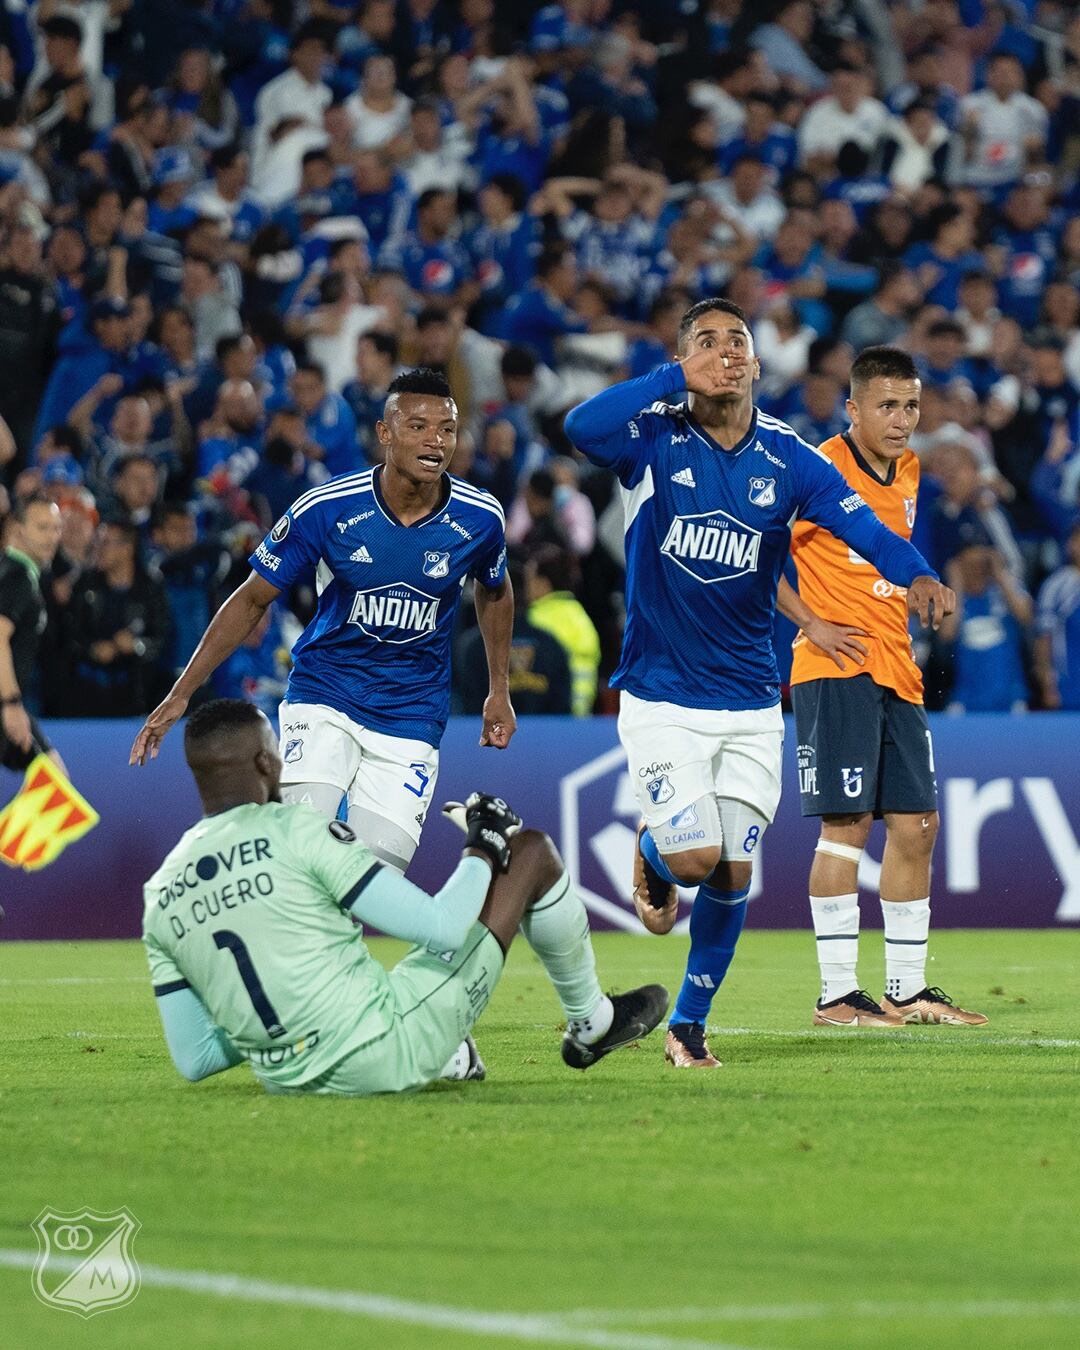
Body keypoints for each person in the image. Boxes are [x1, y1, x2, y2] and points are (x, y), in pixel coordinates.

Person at [565, 299, 954, 1069]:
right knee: (695, 860)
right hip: (662, 693)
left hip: (749, 701)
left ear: (756, 359)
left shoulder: (789, 456)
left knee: (735, 869)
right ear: (686, 358)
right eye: (706, 343)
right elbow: (580, 428)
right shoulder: (651, 440)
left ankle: (687, 1025)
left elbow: (867, 530)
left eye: (737, 341)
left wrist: (918, 574)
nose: (726, 353)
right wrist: (671, 377)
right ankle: (654, 845)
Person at [143, 698, 668, 1095]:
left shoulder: (161, 891)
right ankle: (590, 1024)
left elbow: (196, 1058)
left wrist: (286, 1028)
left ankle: (450, 1053)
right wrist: (482, 845)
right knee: (528, 851)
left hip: (285, 1079)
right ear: (264, 764)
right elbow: (440, 926)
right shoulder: (299, 831)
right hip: (381, 1052)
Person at [132, 369, 515, 875]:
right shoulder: (328, 508)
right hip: (325, 697)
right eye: (418, 426)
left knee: (373, 879)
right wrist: (182, 692)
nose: (435, 441)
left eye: (446, 429)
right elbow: (251, 600)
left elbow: (496, 589)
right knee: (304, 855)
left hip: (411, 717)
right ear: (385, 433)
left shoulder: (480, 517)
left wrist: (499, 688)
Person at [780, 346, 989, 1029]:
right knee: (848, 826)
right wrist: (812, 622)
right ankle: (836, 994)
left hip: (897, 666)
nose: (901, 420)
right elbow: (759, 556)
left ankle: (906, 988)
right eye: (887, 406)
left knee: (917, 827)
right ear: (854, 409)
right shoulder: (815, 468)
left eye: (910, 406)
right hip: (834, 666)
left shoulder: (910, 469)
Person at [0, 494, 65, 773]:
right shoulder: (18, 578)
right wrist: (11, 704)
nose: (51, 537)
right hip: (5, 701)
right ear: (18, 529)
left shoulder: (15, 572)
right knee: (56, 790)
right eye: (42, 527)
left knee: (54, 788)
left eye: (56, 527)